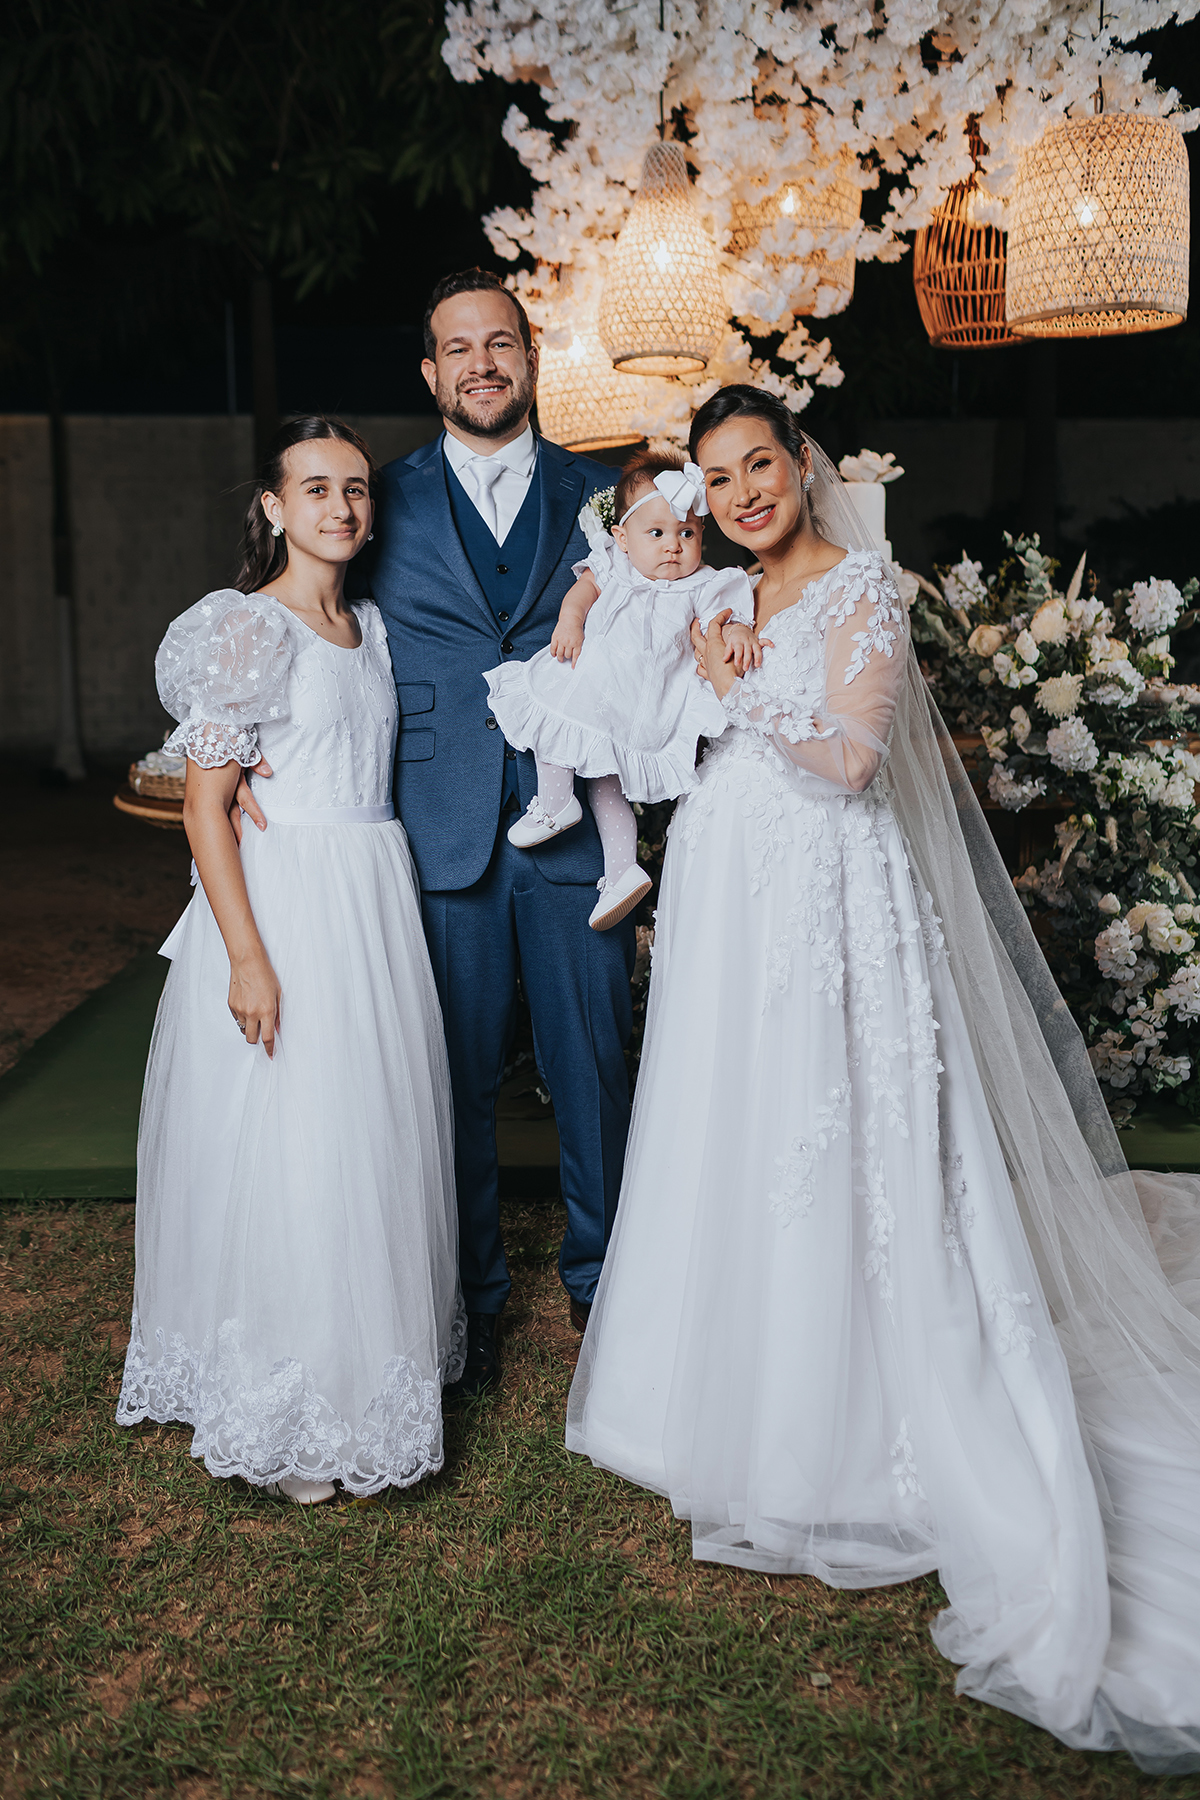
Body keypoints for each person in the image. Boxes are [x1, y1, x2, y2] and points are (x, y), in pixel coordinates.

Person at [567, 383, 1200, 1773]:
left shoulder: (867, 588)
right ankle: (700, 1389)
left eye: (758, 465)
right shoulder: (715, 590)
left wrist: (744, 689)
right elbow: (660, 739)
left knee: (835, 1130)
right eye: (717, 476)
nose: (740, 493)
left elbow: (851, 764)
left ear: (801, 465)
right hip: (732, 891)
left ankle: (841, 1422)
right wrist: (688, 687)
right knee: (731, 1126)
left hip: (833, 902)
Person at [238, 270, 636, 1387]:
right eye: (458, 348)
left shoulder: (604, 495)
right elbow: (295, 606)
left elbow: (654, 634)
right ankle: (465, 1302)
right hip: (435, 825)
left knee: (594, 1059)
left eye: (499, 342)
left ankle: (606, 1285)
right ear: (430, 372)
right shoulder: (380, 496)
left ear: (531, 355)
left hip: (572, 831)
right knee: (443, 1073)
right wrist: (248, 738)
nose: (481, 363)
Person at [117, 416, 462, 1504]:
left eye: (356, 488)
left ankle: (366, 1374)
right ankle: (290, 1391)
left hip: (371, 895)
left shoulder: (372, 626)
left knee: (368, 1128)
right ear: (273, 508)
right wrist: (248, 956)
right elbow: (210, 811)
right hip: (291, 905)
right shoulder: (246, 630)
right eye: (315, 488)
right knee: (297, 1139)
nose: (342, 508)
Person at [484, 450, 760, 931]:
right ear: (622, 538)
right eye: (656, 533)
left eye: (687, 534)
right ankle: (584, 832)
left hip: (639, 703)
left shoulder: (704, 584)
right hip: (592, 681)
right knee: (555, 713)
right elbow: (581, 594)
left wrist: (736, 631)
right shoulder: (613, 565)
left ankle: (596, 845)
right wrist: (571, 622)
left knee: (607, 783)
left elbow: (728, 616)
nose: (673, 547)